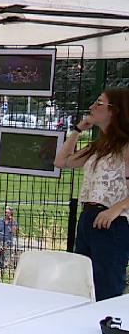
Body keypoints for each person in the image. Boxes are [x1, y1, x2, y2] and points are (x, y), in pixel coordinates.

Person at [55, 88, 129, 301]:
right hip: (88, 218)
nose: (92, 108)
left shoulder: (125, 147)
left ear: (115, 111)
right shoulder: (98, 146)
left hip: (111, 222)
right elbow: (62, 161)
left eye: (99, 104)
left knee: (106, 285)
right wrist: (77, 130)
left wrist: (117, 208)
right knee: (82, 283)